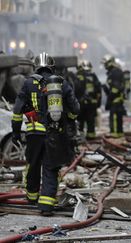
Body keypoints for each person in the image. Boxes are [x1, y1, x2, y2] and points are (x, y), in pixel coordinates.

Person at [11, 52, 80, 216]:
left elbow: (17, 111)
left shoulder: (28, 84)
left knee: (32, 165)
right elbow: (75, 109)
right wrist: (68, 120)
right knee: (50, 167)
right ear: (52, 67)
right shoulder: (61, 83)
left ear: (36, 67)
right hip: (54, 134)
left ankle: (32, 197)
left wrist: (15, 132)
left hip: (34, 132)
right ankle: (46, 206)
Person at [75, 60, 102, 139]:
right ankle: (91, 137)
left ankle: (80, 137)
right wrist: (98, 103)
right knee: (91, 121)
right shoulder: (93, 76)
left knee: (80, 121)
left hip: (80, 103)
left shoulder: (76, 76)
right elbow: (98, 90)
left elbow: (74, 90)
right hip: (92, 104)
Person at [101, 55, 125, 138]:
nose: (104, 66)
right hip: (115, 99)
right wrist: (105, 88)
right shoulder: (112, 72)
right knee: (116, 118)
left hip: (116, 100)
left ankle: (115, 136)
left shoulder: (115, 72)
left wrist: (110, 99)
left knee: (114, 118)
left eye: (105, 64)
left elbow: (115, 89)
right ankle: (117, 135)